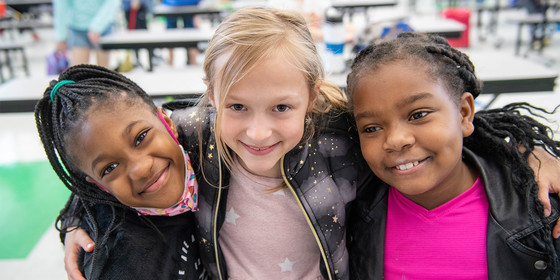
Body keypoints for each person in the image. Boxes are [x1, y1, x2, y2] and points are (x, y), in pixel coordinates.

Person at [59, 8, 560, 280]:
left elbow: (449, 121)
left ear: (313, 95)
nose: (258, 132)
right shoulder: (194, 133)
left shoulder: (341, 135)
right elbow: (116, 157)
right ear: (211, 98)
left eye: (281, 108)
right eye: (236, 107)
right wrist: (78, 218)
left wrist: (528, 151)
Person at [345, 32, 560, 279]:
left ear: (464, 112)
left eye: (418, 115)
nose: (396, 140)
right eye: (371, 128)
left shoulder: (537, 207)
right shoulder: (348, 208)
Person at [35, 64, 205, 279]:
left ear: (167, 123)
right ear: (98, 186)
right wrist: (74, 220)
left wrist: (73, 218)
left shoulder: (213, 142)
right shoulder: (120, 263)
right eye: (110, 168)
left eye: (141, 137)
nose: (141, 169)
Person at [53, 0, 121, 68]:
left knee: (103, 71)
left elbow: (112, 2)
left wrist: (98, 26)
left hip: (104, 25)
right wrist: (61, 36)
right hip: (78, 26)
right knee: (79, 71)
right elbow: (60, 5)